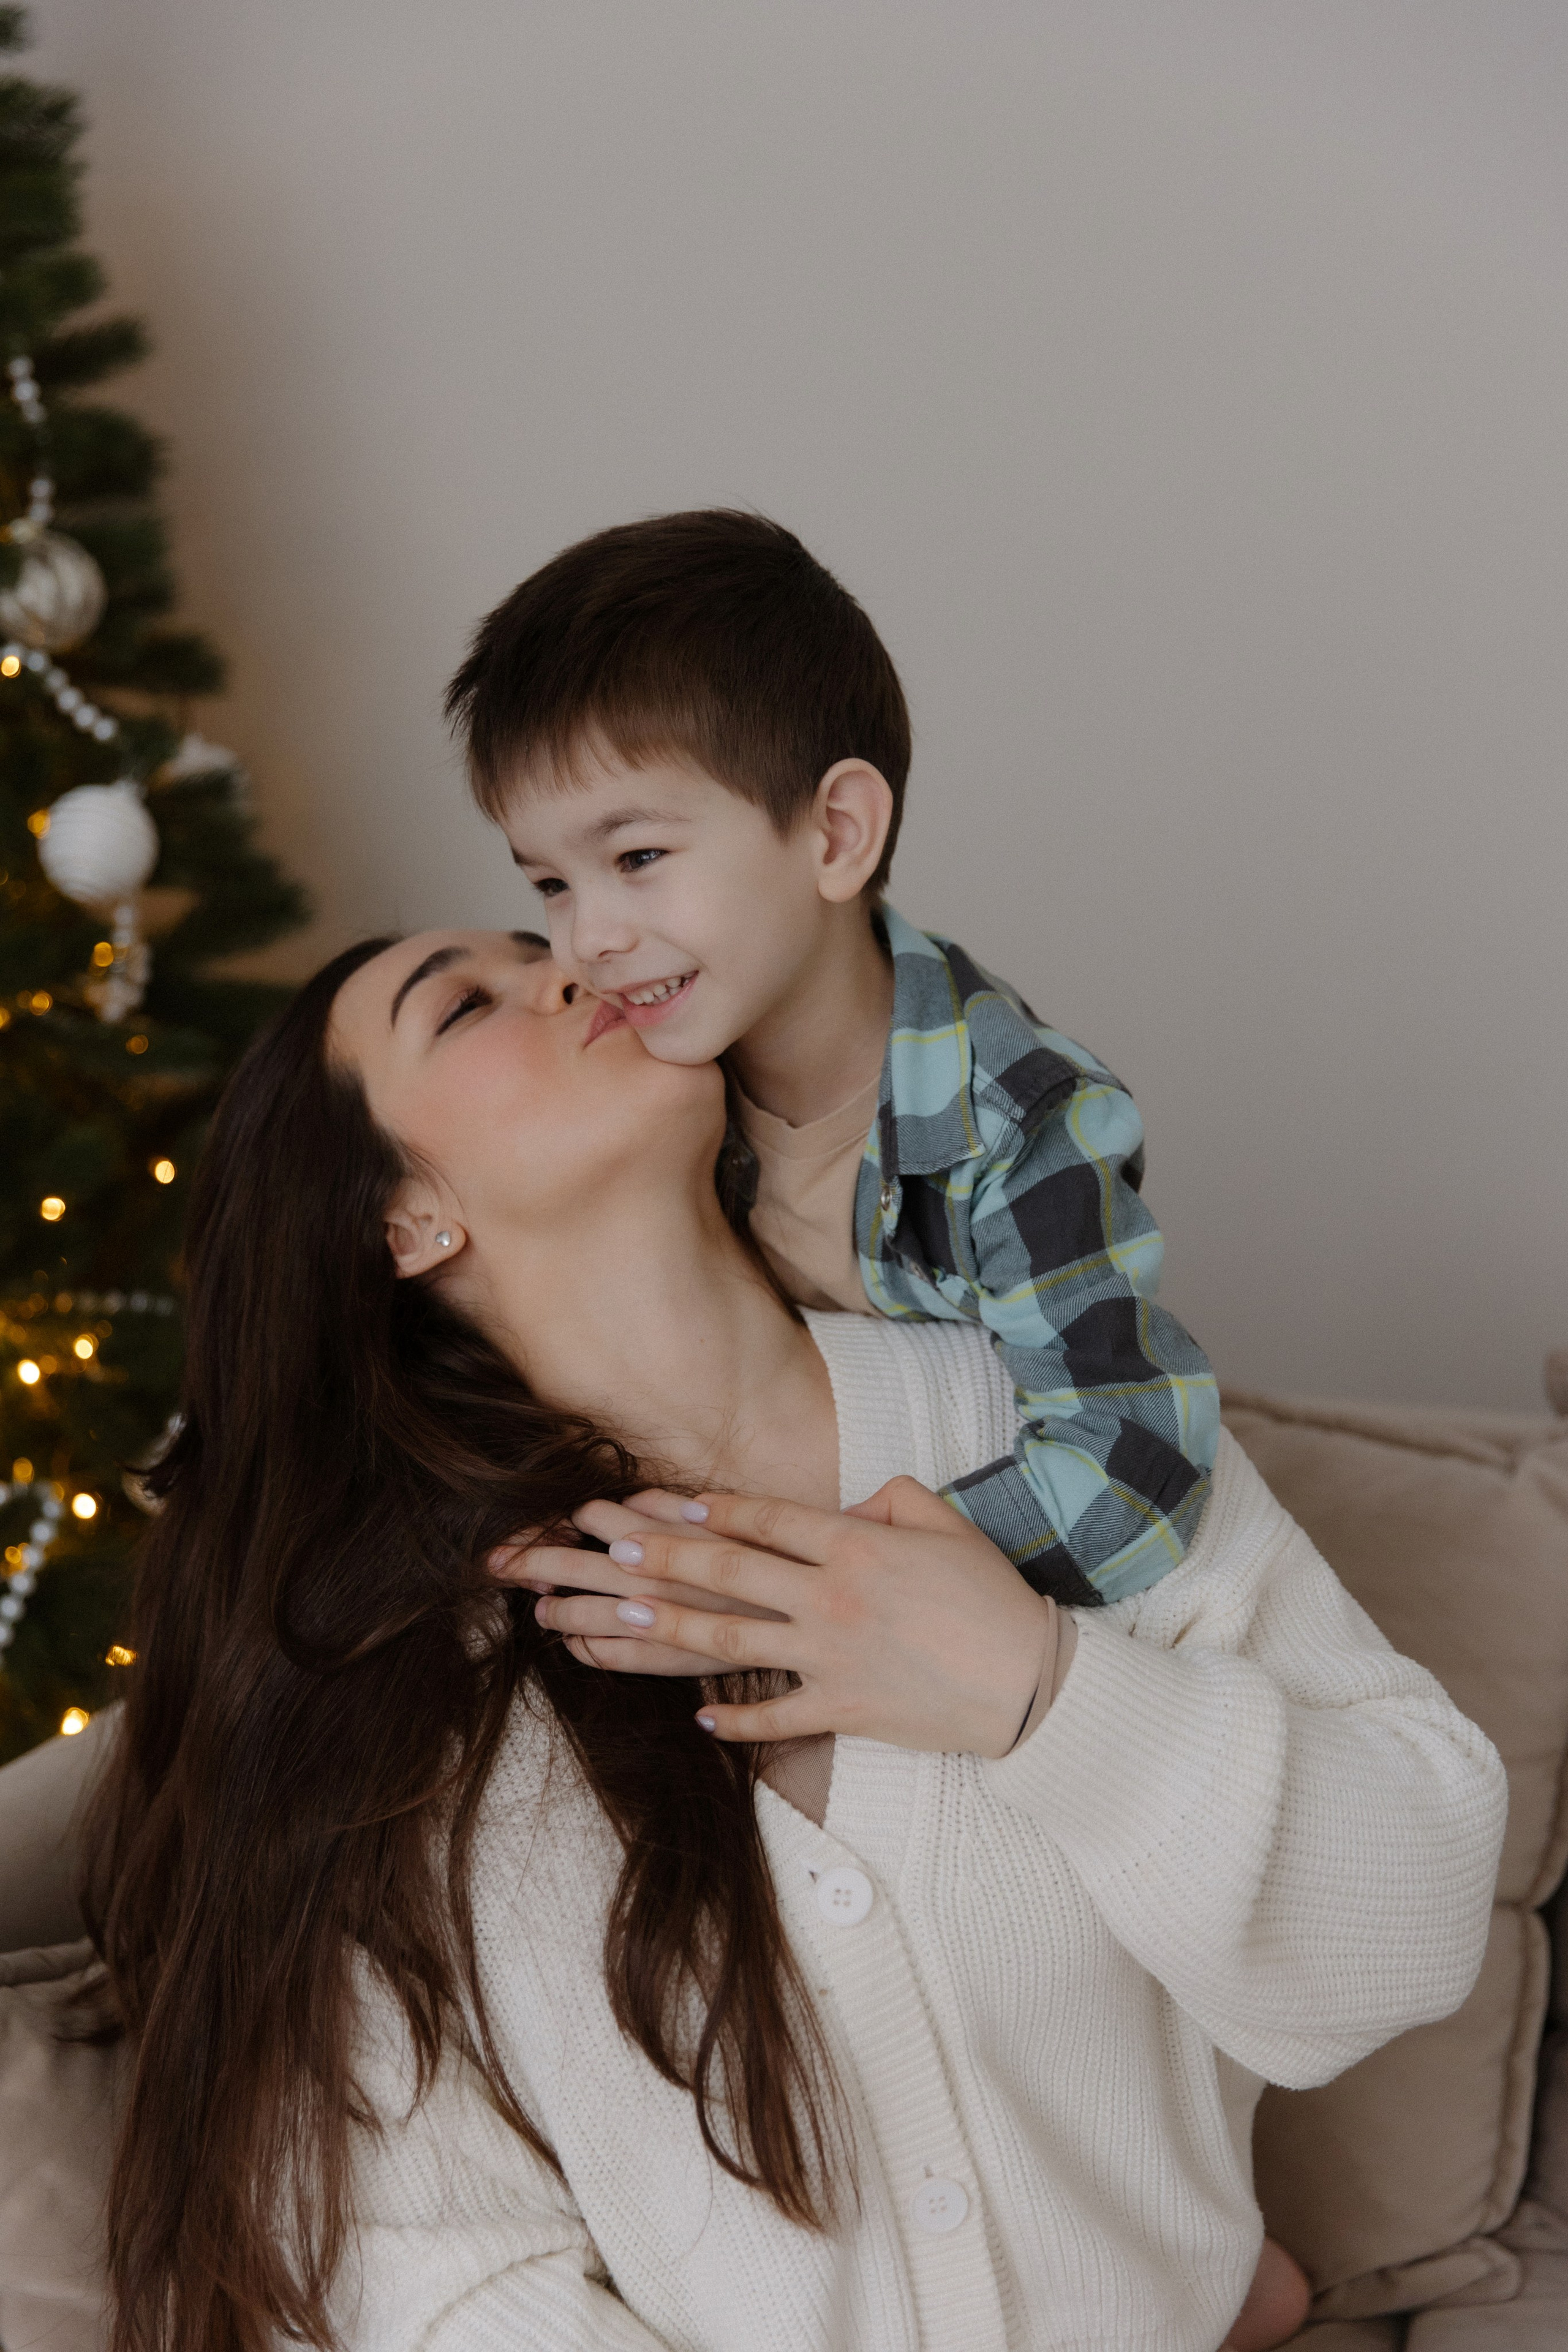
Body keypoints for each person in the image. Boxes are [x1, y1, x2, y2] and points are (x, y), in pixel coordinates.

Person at [83, 929, 1504, 2352]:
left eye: (545, 947)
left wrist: (1039, 1693)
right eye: (464, 1006)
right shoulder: (403, 1685)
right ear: (404, 1223)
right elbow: (431, 2275)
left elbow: (1405, 1934)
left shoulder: (1070, 1427)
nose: (571, 969)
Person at [444, 510, 1218, 1608]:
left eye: (639, 856)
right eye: (552, 885)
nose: (587, 940)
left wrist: (805, 1579)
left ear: (837, 833)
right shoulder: (654, 1083)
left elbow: (1131, 1472)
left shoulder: (1017, 1124)